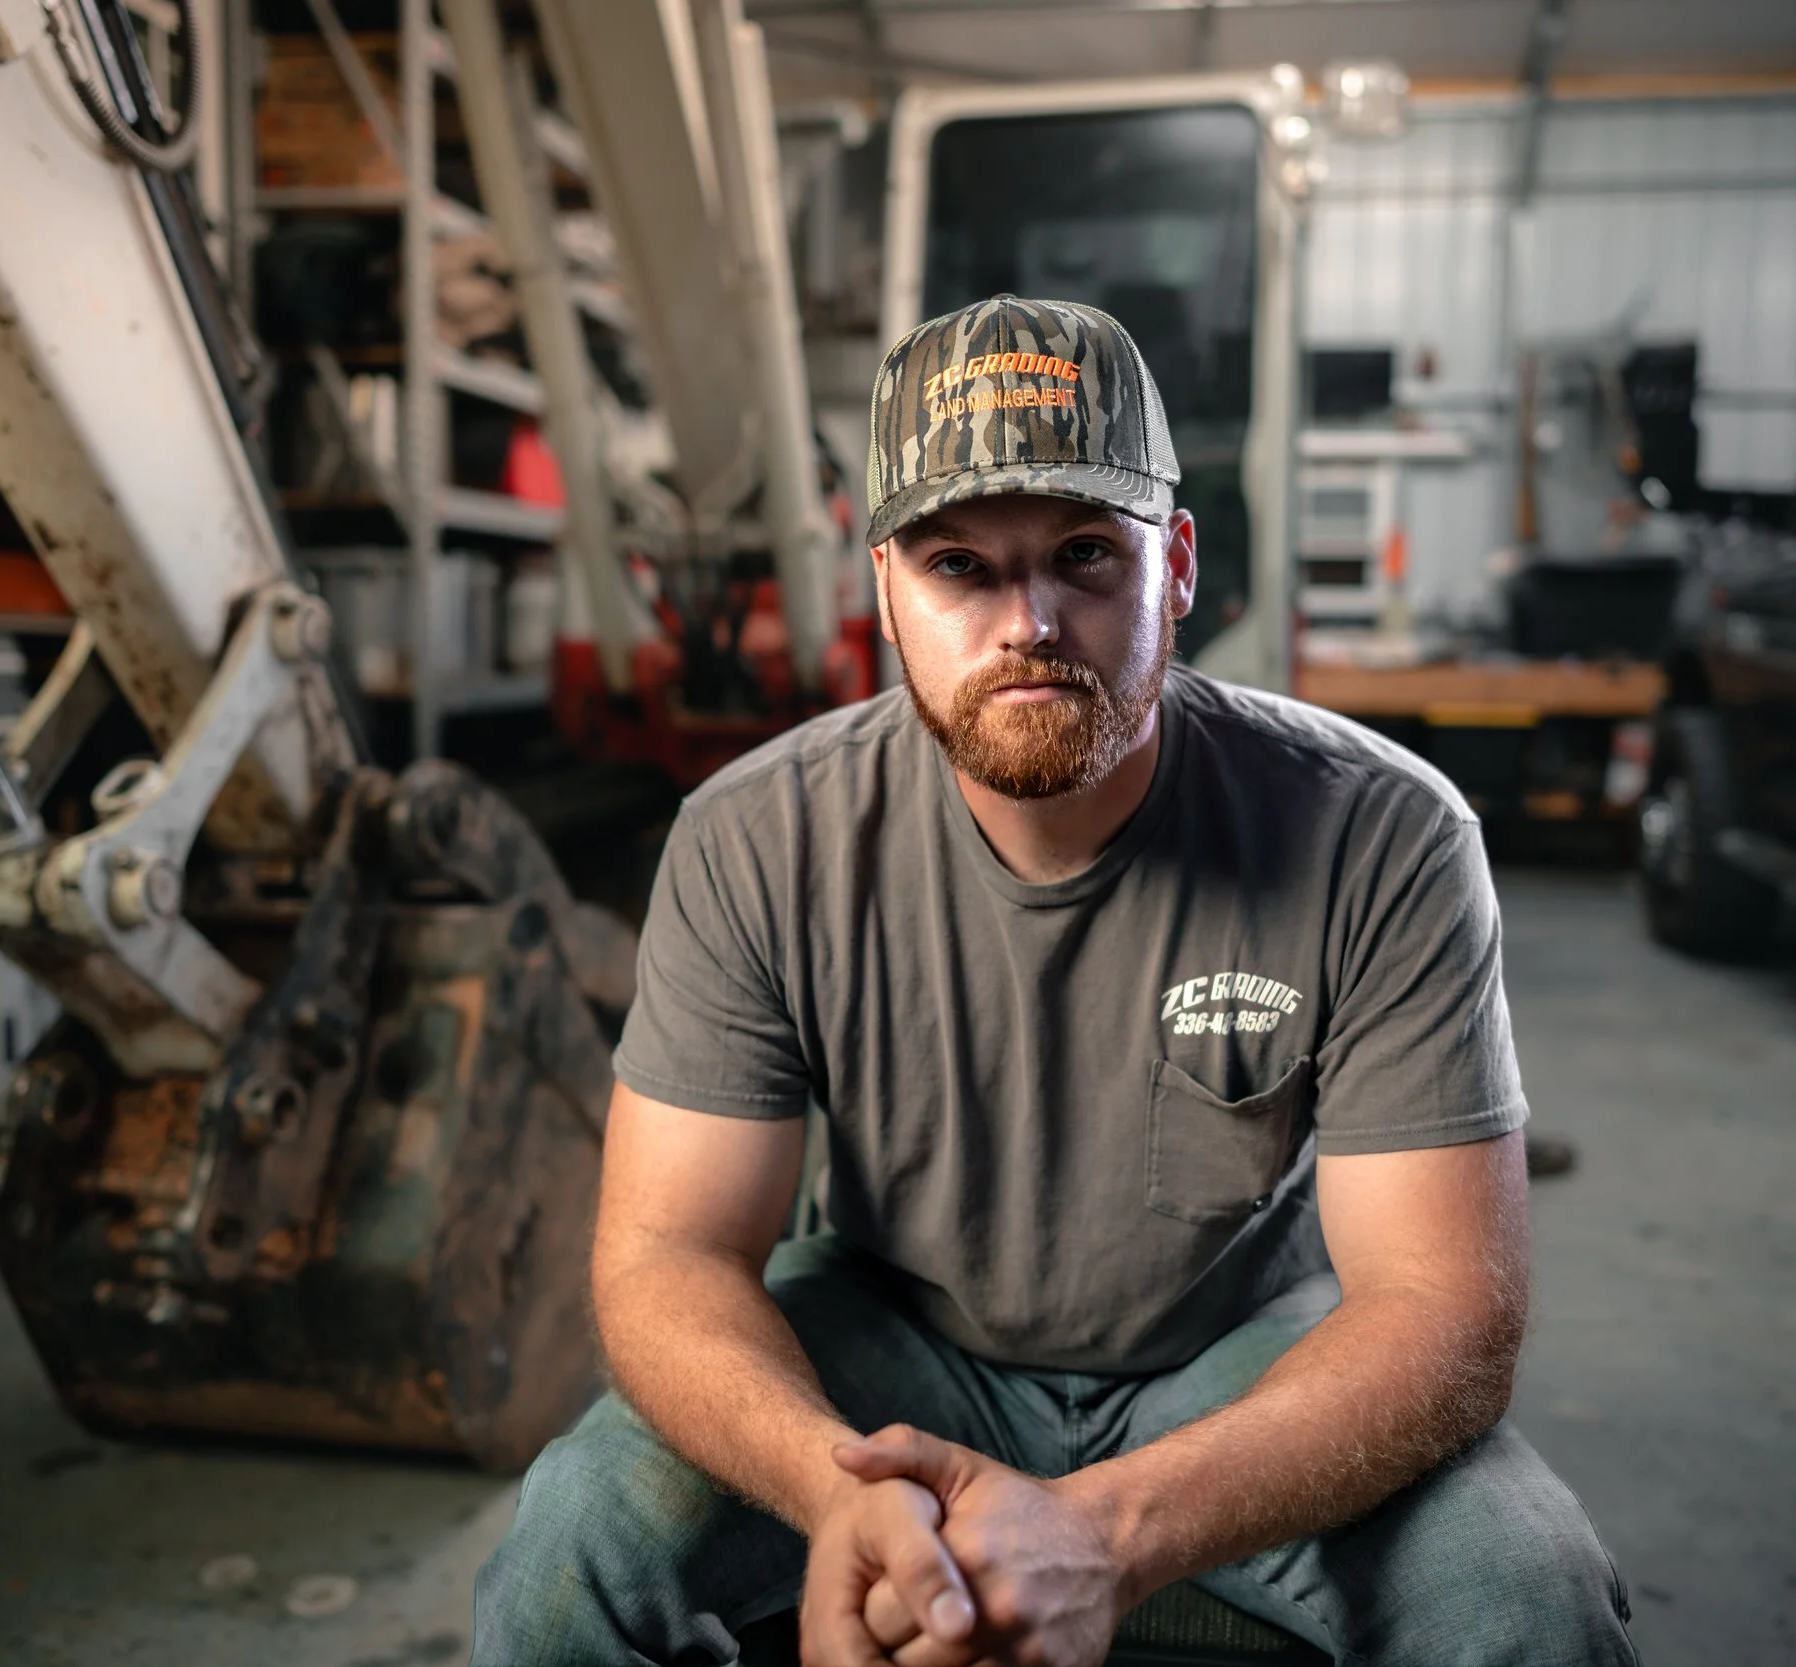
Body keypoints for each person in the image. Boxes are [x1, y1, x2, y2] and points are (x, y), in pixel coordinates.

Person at [472, 296, 1637, 1667]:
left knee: (1531, 1598)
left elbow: (1445, 1309)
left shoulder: (1381, 832)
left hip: (1235, 1352)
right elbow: (668, 1252)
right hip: (890, 1347)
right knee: (560, 1564)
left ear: (1179, 564)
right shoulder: (754, 837)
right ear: (885, 593)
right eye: (961, 565)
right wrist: (828, 1490)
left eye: (1086, 553)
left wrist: (1113, 1530)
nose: (1029, 621)